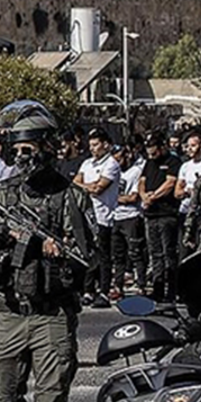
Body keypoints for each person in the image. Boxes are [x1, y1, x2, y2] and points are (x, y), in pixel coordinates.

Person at [0, 101, 96, 402]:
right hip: (10, 312)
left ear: (48, 147)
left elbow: (90, 258)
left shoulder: (72, 198)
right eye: (17, 151)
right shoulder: (3, 193)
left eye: (28, 150)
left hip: (53, 315)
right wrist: (8, 234)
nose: (22, 157)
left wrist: (59, 251)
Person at [73, 127, 120, 308]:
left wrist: (88, 185)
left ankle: (104, 291)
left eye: (96, 144)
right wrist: (88, 185)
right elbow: (76, 183)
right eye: (90, 145)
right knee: (89, 254)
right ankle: (88, 290)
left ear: (105, 145)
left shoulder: (111, 164)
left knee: (104, 256)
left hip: (103, 216)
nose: (92, 148)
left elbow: (99, 188)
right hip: (87, 215)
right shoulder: (87, 164)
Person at [138, 131, 182, 302]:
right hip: (151, 214)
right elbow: (141, 182)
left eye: (154, 152)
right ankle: (157, 289)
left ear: (162, 147)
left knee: (168, 253)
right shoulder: (149, 163)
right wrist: (144, 196)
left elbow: (170, 183)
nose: (152, 156)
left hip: (166, 213)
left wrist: (153, 196)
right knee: (155, 254)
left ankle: (171, 290)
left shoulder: (172, 161)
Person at [111, 142, 148, 294]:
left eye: (119, 159)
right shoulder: (112, 171)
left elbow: (133, 197)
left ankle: (141, 284)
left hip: (131, 216)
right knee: (118, 255)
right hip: (115, 216)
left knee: (135, 252)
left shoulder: (136, 172)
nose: (117, 163)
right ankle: (118, 285)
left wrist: (113, 198)